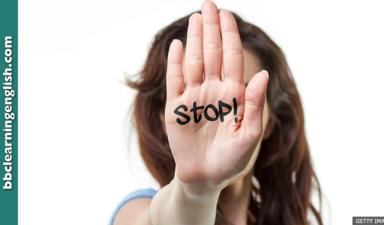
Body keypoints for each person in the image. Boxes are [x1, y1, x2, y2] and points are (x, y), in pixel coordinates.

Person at [111, 1, 323, 225]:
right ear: (163, 120)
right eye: (198, 102)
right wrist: (197, 190)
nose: (219, 120)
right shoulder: (136, 211)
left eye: (240, 100)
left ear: (270, 121)